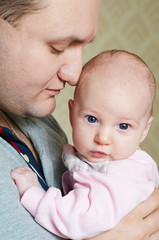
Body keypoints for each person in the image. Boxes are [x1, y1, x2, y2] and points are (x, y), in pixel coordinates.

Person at [11, 50, 159, 239]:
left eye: (123, 126)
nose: (103, 138)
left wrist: (32, 194)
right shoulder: (137, 162)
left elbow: (79, 219)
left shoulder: (116, 177)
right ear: (72, 113)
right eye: (92, 119)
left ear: (144, 130)